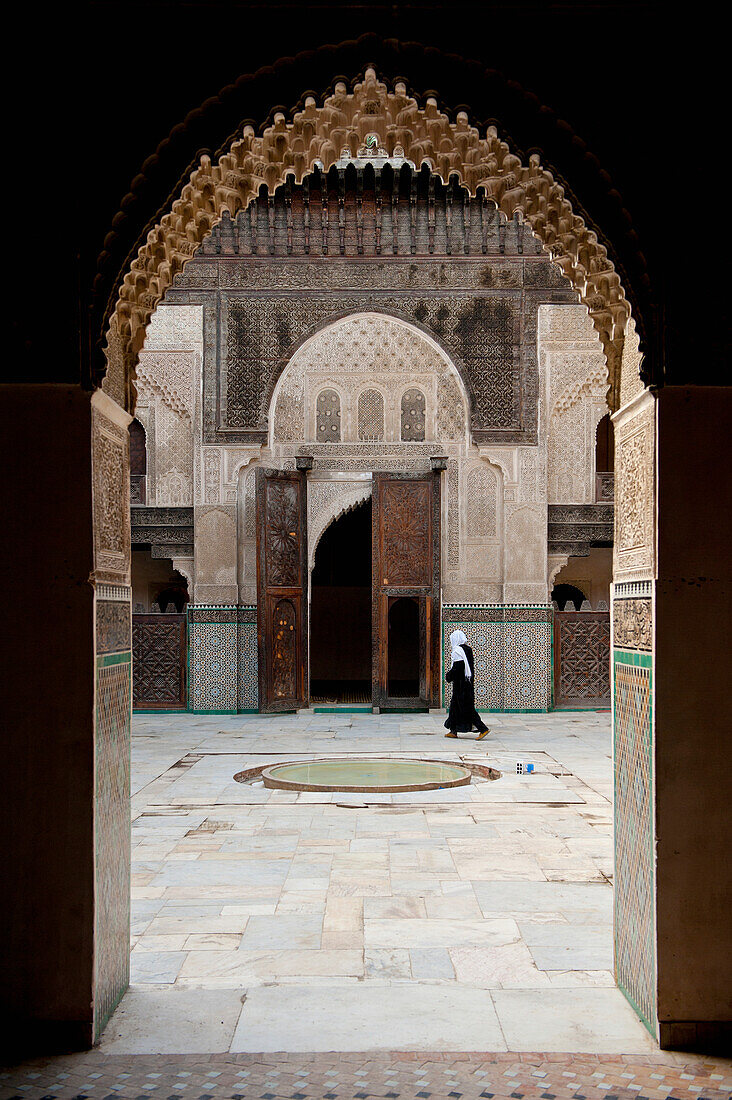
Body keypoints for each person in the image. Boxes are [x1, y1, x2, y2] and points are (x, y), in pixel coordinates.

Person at [444, 629, 490, 739]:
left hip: (461, 685)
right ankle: (453, 730)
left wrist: (448, 676)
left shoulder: (457, 651)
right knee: (454, 707)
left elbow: (458, 669)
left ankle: (483, 729)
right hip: (467, 683)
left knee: (466, 708)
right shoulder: (467, 650)